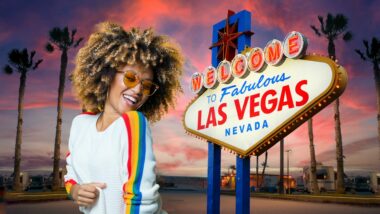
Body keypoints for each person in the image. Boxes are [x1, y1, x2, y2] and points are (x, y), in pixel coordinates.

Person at [64, 22, 183, 214]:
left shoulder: (133, 123)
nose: (138, 91)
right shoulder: (80, 124)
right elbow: (70, 176)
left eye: (146, 86)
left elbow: (141, 200)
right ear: (107, 74)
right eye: (130, 77)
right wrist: (75, 191)